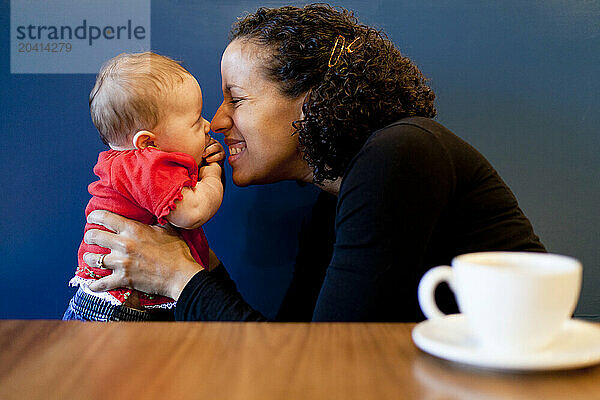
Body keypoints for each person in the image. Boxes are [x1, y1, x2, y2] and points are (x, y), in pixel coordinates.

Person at [81, 4, 546, 322]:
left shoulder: (399, 154)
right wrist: (192, 262)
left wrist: (178, 277)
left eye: (236, 99)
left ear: (310, 102)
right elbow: (291, 346)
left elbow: (324, 361)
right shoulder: (336, 197)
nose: (219, 121)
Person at [63, 52, 225, 321]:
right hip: (116, 311)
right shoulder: (145, 165)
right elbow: (192, 212)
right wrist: (213, 173)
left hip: (124, 302)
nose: (207, 125)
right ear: (149, 144)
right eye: (196, 121)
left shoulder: (136, 165)